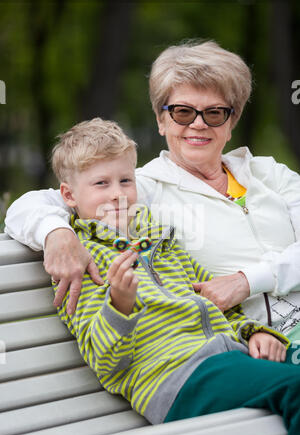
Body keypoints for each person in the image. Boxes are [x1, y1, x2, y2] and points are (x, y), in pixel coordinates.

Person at [5, 40, 300, 341]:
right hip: (260, 343)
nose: (198, 124)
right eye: (183, 112)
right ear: (161, 120)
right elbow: (29, 206)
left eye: (214, 113)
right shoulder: (138, 190)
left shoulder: (270, 173)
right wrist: (56, 232)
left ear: (231, 122)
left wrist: (247, 281)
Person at [46, 116, 300, 435]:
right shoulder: (81, 262)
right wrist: (119, 305)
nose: (117, 194)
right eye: (101, 184)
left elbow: (214, 299)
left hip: (228, 357)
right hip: (178, 379)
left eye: (125, 180)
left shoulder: (157, 236)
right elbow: (106, 362)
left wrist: (256, 332)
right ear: (69, 195)